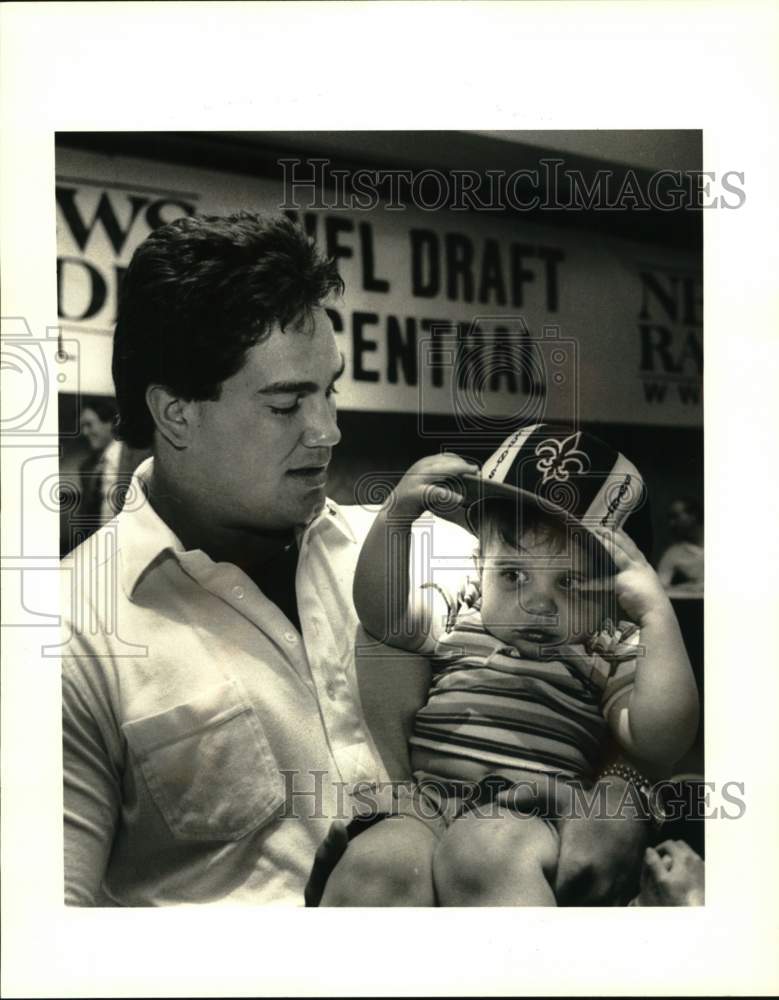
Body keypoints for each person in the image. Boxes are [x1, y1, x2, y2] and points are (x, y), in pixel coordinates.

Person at [61, 211, 654, 907]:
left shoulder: (444, 553)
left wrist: (623, 795)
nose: (328, 430)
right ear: (175, 413)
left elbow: (612, 680)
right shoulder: (67, 632)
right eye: (286, 405)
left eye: (330, 389)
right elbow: (46, 945)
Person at [319, 427, 699, 905]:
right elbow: (382, 614)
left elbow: (662, 737)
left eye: (572, 583)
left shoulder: (604, 644)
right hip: (427, 807)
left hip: (529, 817)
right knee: (375, 866)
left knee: (487, 853)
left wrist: (656, 615)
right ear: (479, 565)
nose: (539, 603)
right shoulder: (463, 609)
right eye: (514, 574)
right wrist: (398, 514)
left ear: (611, 593)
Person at [656, 497, 704, 597]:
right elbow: (660, 589)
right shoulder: (672, 554)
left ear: (693, 516)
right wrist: (687, 588)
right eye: (670, 518)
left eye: (675, 517)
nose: (672, 523)